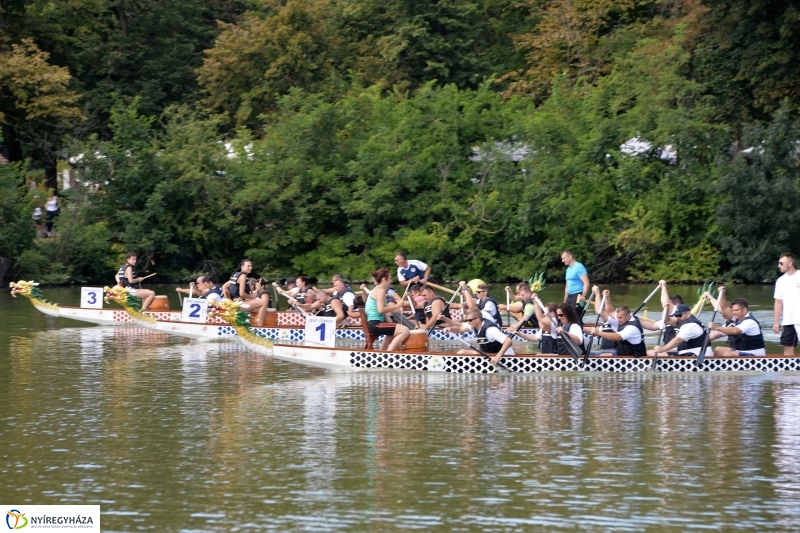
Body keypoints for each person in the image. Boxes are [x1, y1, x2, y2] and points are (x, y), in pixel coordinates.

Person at [444, 308, 514, 365]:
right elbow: (459, 328)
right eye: (467, 320)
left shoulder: (489, 330)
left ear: (477, 319)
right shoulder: (475, 325)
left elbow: (508, 341)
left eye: (470, 320)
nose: (468, 322)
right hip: (490, 353)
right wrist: (450, 329)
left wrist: (497, 357)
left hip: (505, 356)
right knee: (461, 352)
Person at [365, 268, 410, 351]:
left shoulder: (376, 289)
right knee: (405, 330)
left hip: (373, 323)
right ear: (384, 279)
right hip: (375, 324)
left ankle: (382, 352)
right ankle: (389, 353)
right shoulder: (381, 290)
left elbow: (383, 312)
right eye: (389, 278)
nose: (391, 281)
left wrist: (391, 323)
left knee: (391, 333)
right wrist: (397, 306)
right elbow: (381, 310)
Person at [774, 252, 800, 356]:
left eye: (781, 263)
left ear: (790, 263)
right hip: (788, 320)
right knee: (788, 348)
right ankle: (789, 372)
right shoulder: (780, 281)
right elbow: (778, 302)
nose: (778, 266)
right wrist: (776, 322)